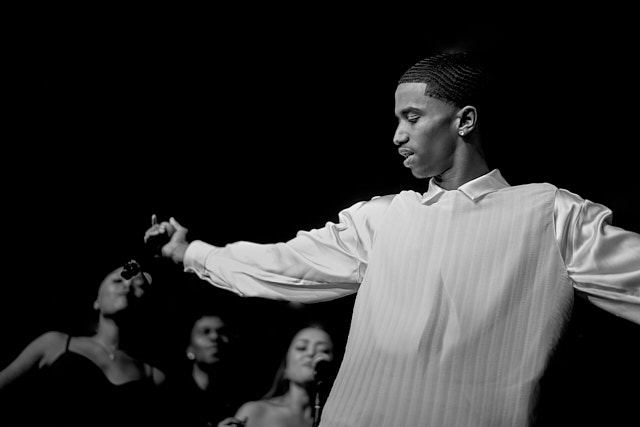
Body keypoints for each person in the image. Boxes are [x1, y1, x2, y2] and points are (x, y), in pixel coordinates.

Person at [144, 52, 640, 427]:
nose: (397, 136)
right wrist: (189, 251)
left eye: (413, 117)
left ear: (464, 120)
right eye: (397, 120)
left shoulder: (550, 214)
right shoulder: (383, 219)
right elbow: (285, 265)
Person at [0, 258, 166, 425]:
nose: (127, 285)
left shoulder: (152, 374)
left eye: (139, 285)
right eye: (117, 280)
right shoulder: (54, 343)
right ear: (97, 302)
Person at [162, 288, 247, 427]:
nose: (215, 337)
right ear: (189, 347)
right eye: (205, 332)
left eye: (222, 332)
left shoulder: (239, 394)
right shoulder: (173, 395)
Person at [234, 322, 337, 427]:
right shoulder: (256, 412)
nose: (311, 353)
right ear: (285, 367)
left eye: (324, 350)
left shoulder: (338, 418)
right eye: (301, 347)